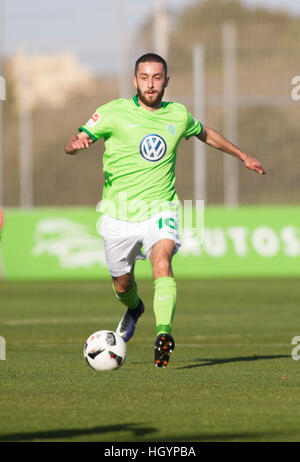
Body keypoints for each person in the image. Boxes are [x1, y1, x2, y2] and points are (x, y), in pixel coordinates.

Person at [64, 53, 265, 368]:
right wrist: (76, 144)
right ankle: (134, 309)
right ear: (135, 80)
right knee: (122, 284)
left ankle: (163, 335)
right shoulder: (113, 112)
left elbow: (205, 133)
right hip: (118, 215)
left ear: (167, 81)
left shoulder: (178, 115)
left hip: (161, 208)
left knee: (162, 262)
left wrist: (242, 156)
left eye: (157, 77)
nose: (150, 84)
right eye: (144, 77)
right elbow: (77, 138)